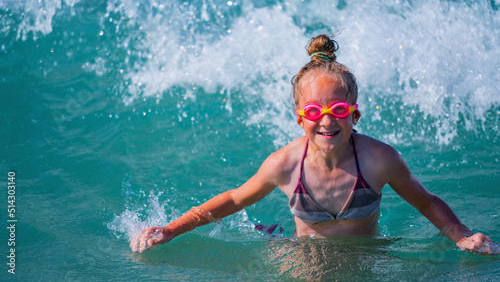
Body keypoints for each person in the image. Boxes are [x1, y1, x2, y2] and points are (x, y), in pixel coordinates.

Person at [130, 35, 499, 255]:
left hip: (365, 256)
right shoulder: (284, 165)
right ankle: (271, 236)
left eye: (338, 109)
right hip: (303, 256)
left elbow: (427, 200)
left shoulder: (379, 160)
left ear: (355, 115)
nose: (326, 120)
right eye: (314, 111)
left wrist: (462, 236)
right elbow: (233, 199)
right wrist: (171, 229)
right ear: (299, 118)